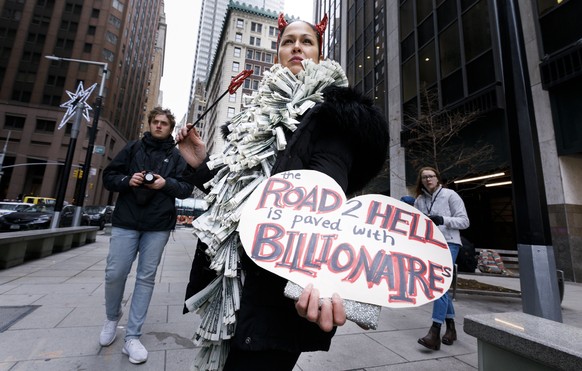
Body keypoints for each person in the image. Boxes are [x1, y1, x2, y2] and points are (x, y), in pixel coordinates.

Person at [176, 13, 389, 371]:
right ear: (278, 52)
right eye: (288, 41)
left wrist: (322, 280)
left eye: (307, 41)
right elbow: (235, 190)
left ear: (320, 54)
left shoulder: (334, 118)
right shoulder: (254, 116)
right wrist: (202, 164)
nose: (296, 47)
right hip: (232, 277)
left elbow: (325, 204)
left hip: (277, 286)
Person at [99, 107, 194, 364]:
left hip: (158, 225)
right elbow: (108, 176)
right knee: (115, 272)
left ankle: (132, 336)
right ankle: (112, 317)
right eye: (156, 122)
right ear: (150, 124)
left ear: (170, 128)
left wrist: (166, 184)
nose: (159, 126)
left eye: (164, 123)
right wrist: (128, 180)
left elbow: (187, 188)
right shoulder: (132, 149)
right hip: (126, 220)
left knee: (146, 277)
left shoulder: (176, 156)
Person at [413, 166, 469, 350]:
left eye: (431, 176)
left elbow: (464, 221)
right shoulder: (420, 200)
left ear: (438, 178)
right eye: (424, 177)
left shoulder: (450, 195)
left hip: (449, 243)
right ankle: (451, 328)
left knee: (439, 283)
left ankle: (435, 332)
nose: (428, 180)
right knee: (440, 285)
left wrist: (442, 219)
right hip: (429, 244)